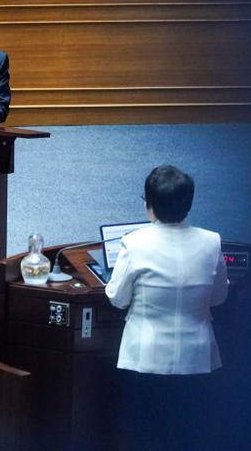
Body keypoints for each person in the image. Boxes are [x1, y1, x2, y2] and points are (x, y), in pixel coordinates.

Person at [105, 165, 228, 448]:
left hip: (145, 360)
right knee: (189, 436)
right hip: (198, 359)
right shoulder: (212, 242)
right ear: (189, 204)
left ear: (149, 205)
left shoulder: (134, 243)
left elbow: (118, 298)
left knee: (146, 436)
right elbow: (219, 297)